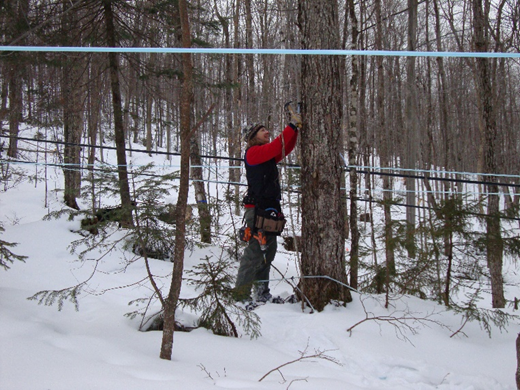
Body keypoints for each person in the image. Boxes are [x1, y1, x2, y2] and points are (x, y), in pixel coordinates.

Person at [235, 110, 301, 304]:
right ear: (253, 137)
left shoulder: (266, 156)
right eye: (262, 130)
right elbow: (276, 147)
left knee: (268, 253)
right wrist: (291, 126)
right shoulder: (253, 153)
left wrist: (295, 129)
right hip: (257, 210)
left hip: (270, 210)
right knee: (255, 253)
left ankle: (261, 293)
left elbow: (284, 149)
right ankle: (240, 297)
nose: (267, 131)